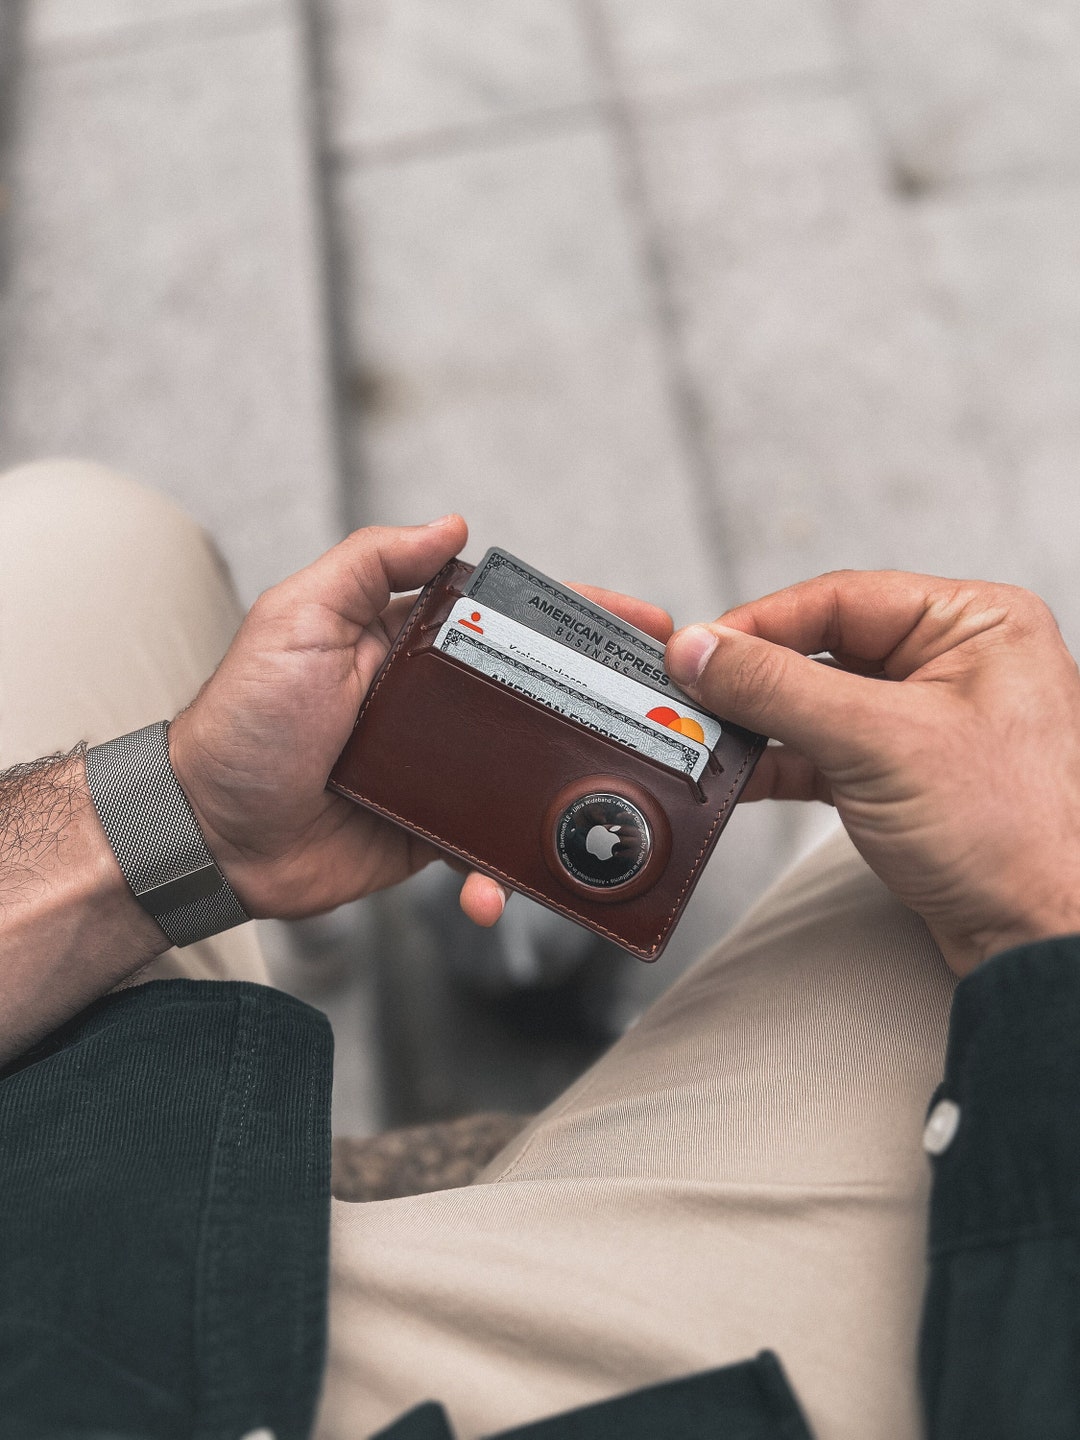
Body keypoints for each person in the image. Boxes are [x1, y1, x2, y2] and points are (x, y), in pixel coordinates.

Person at [1, 459, 1078, 1440]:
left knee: (80, 528)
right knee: (907, 878)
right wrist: (1037, 916)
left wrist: (184, 816)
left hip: (62, 1238)